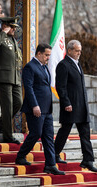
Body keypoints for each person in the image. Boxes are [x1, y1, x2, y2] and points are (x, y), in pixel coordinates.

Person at [15, 44, 65, 175]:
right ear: (39, 54)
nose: (48, 58)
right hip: (35, 108)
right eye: (46, 55)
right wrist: (34, 105)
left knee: (48, 137)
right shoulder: (30, 67)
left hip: (47, 109)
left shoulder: (44, 67)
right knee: (36, 134)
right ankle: (21, 155)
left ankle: (50, 164)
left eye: (49, 55)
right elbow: (29, 88)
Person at [54, 40, 97, 172]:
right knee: (65, 131)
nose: (79, 53)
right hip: (70, 106)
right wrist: (66, 102)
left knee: (85, 134)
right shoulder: (63, 65)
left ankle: (88, 160)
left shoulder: (78, 64)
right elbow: (61, 87)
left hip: (82, 106)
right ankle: (54, 154)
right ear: (69, 50)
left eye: (80, 51)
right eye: (77, 50)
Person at [0, 17, 22, 144]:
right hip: (3, 77)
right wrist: (3, 32)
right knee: (7, 107)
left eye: (14, 27)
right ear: (5, 26)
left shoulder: (13, 40)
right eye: (11, 27)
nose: (14, 29)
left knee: (18, 103)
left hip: (14, 78)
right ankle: (8, 135)